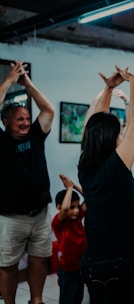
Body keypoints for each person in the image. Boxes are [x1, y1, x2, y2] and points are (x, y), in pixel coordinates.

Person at [78, 66, 134, 303]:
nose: (122, 136)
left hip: (95, 260)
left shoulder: (85, 164)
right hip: (119, 263)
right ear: (110, 138)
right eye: (119, 133)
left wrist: (109, 88)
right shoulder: (115, 167)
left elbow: (92, 127)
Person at [0, 60, 55, 304]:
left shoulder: (35, 135)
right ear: (5, 122)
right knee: (8, 265)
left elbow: (49, 110)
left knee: (39, 259)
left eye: (26, 118)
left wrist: (27, 83)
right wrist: (10, 80)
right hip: (10, 217)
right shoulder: (1, 142)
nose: (25, 122)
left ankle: (37, 300)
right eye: (19, 119)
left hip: (41, 213)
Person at [52, 174, 87, 304]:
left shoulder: (77, 219)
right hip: (67, 271)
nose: (76, 211)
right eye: (73, 207)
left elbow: (90, 196)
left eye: (77, 206)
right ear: (58, 208)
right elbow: (65, 208)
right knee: (67, 299)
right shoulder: (59, 223)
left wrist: (74, 186)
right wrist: (69, 189)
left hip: (80, 268)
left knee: (78, 297)